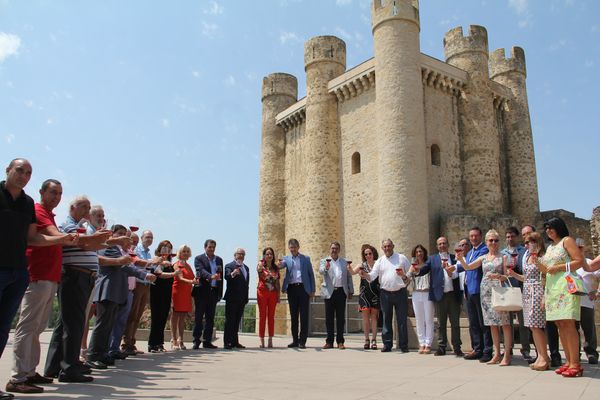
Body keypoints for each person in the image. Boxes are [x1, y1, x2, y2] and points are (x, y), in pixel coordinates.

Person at [7, 179, 70, 395]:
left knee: (37, 327)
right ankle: (18, 377)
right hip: (37, 276)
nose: (57, 197)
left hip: (49, 278)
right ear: (42, 192)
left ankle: (30, 371)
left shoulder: (49, 215)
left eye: (60, 193)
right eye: (53, 192)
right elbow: (48, 237)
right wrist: (76, 238)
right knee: (27, 326)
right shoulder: (38, 211)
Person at [43, 196, 115, 383]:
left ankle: (54, 366)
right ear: (73, 207)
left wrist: (111, 241)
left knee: (66, 324)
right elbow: (84, 243)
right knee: (74, 324)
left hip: (82, 276)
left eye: (89, 207)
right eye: (84, 207)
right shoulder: (68, 225)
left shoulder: (80, 227)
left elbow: (93, 244)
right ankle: (69, 368)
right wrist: (105, 239)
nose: (87, 210)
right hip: (75, 275)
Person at [87, 225, 156, 368]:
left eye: (125, 234)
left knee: (109, 325)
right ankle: (93, 354)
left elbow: (126, 265)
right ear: (112, 234)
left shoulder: (118, 249)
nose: (123, 236)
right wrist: (144, 274)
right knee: (102, 325)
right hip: (108, 289)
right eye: (120, 233)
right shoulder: (110, 247)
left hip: (116, 291)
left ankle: (103, 353)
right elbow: (124, 266)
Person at [457, 229, 512, 366]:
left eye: (496, 240)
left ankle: (506, 355)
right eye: (491, 240)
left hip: (499, 292)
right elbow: (468, 267)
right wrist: (460, 259)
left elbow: (508, 275)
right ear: (486, 242)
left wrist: (499, 276)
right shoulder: (483, 258)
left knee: (504, 324)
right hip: (486, 292)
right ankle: (496, 353)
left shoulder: (503, 257)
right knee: (492, 324)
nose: (493, 243)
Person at [539, 216, 585, 377]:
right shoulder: (550, 247)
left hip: (566, 286)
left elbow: (579, 261)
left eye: (551, 227)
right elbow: (546, 270)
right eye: (546, 228)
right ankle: (568, 361)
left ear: (559, 227)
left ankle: (575, 363)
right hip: (552, 288)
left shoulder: (567, 241)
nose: (548, 230)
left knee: (568, 323)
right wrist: (536, 262)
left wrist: (559, 267)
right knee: (560, 324)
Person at [411, 237, 463, 357]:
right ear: (437, 246)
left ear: (448, 244)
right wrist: (417, 270)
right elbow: (424, 269)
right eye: (440, 244)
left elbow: (460, 271)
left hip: (453, 294)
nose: (442, 245)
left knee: (455, 323)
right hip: (440, 295)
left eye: (444, 243)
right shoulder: (432, 259)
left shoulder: (455, 258)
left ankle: (457, 347)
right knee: (441, 323)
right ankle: (442, 347)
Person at [507, 231, 550, 371]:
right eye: (526, 242)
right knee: (531, 326)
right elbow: (526, 278)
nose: (528, 245)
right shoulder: (525, 257)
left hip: (538, 290)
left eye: (531, 242)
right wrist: (513, 274)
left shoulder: (542, 256)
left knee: (537, 325)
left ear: (537, 243)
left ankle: (544, 356)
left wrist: (544, 296)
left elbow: (546, 275)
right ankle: (540, 356)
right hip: (527, 291)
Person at [359, 239, 410, 353]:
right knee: (386, 320)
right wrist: (365, 275)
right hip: (385, 293)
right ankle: (387, 344)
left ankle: (403, 345)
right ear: (382, 248)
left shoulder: (401, 258)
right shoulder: (380, 261)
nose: (387, 248)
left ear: (393, 246)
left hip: (400, 292)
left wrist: (405, 277)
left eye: (389, 246)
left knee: (401, 320)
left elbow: (410, 272)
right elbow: (372, 276)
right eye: (385, 247)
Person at [460, 227, 493, 362]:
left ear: (481, 237)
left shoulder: (484, 250)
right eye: (471, 236)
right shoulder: (469, 253)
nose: (473, 238)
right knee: (473, 322)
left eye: (476, 236)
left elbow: (471, 266)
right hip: (469, 290)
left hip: (479, 290)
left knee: (483, 323)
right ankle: (477, 348)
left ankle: (487, 350)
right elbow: (465, 266)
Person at [501, 226, 532, 363]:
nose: (510, 238)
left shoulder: (523, 251)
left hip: (521, 288)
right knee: (507, 321)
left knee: (523, 321)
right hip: (507, 288)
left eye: (512, 236)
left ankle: (525, 349)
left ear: (517, 237)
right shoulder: (503, 253)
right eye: (507, 236)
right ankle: (508, 348)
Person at [123, 229, 156, 355]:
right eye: (147, 237)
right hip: (137, 283)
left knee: (138, 316)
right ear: (142, 238)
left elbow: (150, 267)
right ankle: (126, 343)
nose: (149, 239)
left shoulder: (148, 252)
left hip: (146, 284)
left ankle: (132, 342)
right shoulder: (136, 250)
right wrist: (153, 262)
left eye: (151, 237)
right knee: (132, 314)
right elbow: (137, 262)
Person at [319, 242, 354, 350]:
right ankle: (329, 341)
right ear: (330, 249)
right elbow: (320, 271)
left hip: (341, 292)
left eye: (336, 248)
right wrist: (325, 267)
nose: (334, 250)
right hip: (329, 292)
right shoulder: (324, 261)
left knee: (340, 318)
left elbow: (349, 277)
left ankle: (340, 341)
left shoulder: (344, 262)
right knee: (329, 318)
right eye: (332, 248)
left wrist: (350, 290)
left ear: (339, 250)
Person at [281, 238, 315, 349]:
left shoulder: (305, 259)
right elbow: (279, 266)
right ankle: (295, 340)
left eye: (294, 247)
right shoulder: (287, 259)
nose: (293, 249)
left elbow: (311, 274)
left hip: (303, 289)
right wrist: (276, 263)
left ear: (298, 247)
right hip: (292, 289)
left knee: (304, 316)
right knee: (293, 316)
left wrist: (312, 290)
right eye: (291, 248)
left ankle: (302, 341)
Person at [192, 239, 224, 350]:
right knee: (199, 317)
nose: (211, 249)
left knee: (210, 318)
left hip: (214, 291)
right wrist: (211, 276)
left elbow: (221, 277)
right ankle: (196, 341)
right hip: (202, 292)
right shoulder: (198, 258)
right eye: (209, 247)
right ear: (205, 247)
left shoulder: (219, 259)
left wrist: (220, 293)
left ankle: (207, 341)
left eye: (213, 247)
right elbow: (200, 271)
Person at [348, 244, 380, 350]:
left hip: (375, 293)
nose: (368, 255)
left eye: (370, 253)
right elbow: (352, 273)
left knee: (374, 317)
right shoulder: (362, 265)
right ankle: (366, 339)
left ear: (373, 253)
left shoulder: (377, 264)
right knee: (365, 318)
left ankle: (374, 340)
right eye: (366, 254)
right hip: (364, 294)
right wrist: (349, 267)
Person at [148, 240, 177, 353]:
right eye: (165, 248)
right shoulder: (157, 260)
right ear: (160, 249)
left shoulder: (169, 262)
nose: (167, 251)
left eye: (169, 249)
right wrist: (174, 274)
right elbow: (159, 274)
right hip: (157, 290)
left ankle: (159, 343)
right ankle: (152, 344)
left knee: (164, 317)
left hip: (167, 292)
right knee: (156, 317)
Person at [575, 238, 599, 365]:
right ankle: (574, 354)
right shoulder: (571, 264)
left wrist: (597, 292)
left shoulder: (589, 262)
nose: (578, 250)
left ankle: (591, 353)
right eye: (576, 248)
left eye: (580, 247)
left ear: (583, 248)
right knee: (573, 329)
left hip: (586, 302)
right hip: (572, 302)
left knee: (588, 329)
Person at [408, 244, 434, 354]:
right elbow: (407, 278)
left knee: (428, 319)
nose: (419, 253)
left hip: (427, 293)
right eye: (417, 252)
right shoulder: (412, 265)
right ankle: (421, 343)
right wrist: (403, 275)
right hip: (416, 293)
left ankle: (428, 344)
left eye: (421, 251)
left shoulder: (428, 264)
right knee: (419, 319)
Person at [223, 248, 250, 350]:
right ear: (235, 255)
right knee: (230, 321)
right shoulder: (229, 266)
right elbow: (227, 276)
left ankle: (235, 342)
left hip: (242, 298)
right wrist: (233, 273)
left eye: (243, 254)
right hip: (232, 298)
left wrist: (246, 297)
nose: (241, 256)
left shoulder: (246, 268)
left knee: (237, 321)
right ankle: (227, 342)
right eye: (239, 254)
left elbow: (246, 284)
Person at [171, 245, 196, 350]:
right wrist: (191, 281)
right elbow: (180, 278)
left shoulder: (188, 266)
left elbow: (193, 277)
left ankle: (181, 338)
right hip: (177, 292)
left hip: (186, 293)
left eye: (187, 251)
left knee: (183, 317)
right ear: (179, 253)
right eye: (183, 251)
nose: (185, 253)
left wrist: (195, 280)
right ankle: (174, 339)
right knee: (175, 316)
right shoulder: (176, 265)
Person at [256, 247, 280, 348]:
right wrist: (260, 265)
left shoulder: (276, 268)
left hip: (273, 293)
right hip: (262, 292)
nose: (269, 256)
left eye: (271, 254)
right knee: (262, 316)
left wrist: (278, 295)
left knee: (271, 317)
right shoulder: (261, 266)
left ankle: (270, 339)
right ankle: (262, 340)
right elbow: (258, 270)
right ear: (264, 256)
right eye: (267, 254)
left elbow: (278, 282)